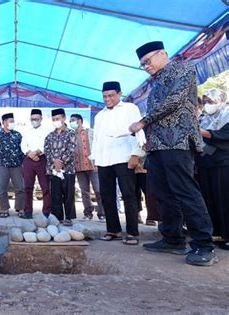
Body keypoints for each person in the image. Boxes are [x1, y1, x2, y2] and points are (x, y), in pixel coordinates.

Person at [129, 41, 217, 266]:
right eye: (142, 64)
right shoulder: (156, 82)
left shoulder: (182, 68)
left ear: (163, 54)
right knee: (163, 192)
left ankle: (204, 244)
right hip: (157, 145)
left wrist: (143, 121)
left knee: (185, 191)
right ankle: (172, 238)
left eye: (147, 61)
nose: (146, 66)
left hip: (177, 141)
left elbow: (175, 101)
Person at [92, 81, 144, 245]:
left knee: (129, 195)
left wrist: (135, 155)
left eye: (111, 95)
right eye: (105, 96)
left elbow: (139, 132)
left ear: (120, 94)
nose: (107, 99)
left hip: (124, 158)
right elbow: (97, 139)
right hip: (104, 160)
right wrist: (95, 158)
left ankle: (132, 232)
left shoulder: (130, 109)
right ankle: (113, 230)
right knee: (106, 196)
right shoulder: (100, 115)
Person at [195, 88, 229, 251]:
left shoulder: (226, 115)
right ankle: (217, 233)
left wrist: (202, 133)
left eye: (212, 101)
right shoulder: (203, 118)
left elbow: (224, 135)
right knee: (209, 199)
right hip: (204, 163)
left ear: (221, 100)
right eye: (206, 101)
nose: (208, 105)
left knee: (225, 199)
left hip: (223, 164)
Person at [44, 108, 76, 225]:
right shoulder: (50, 136)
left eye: (57, 119)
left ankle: (68, 217)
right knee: (56, 194)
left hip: (68, 169)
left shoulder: (71, 133)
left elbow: (72, 150)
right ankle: (58, 217)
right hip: (54, 170)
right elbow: (46, 150)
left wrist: (61, 162)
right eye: (53, 119)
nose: (56, 121)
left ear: (63, 118)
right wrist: (54, 162)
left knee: (68, 194)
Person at [69, 114, 105, 221]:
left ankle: (102, 213)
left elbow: (98, 147)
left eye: (73, 120)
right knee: (84, 191)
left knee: (98, 190)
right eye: (70, 121)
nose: (71, 122)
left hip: (92, 166)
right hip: (79, 167)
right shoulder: (71, 135)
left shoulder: (90, 132)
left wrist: (97, 162)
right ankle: (88, 213)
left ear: (79, 121)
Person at [0, 113, 25, 218]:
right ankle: (4, 209)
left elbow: (22, 150)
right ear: (4, 122)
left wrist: (23, 164)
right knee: (2, 188)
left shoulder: (18, 135)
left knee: (19, 187)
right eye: (10, 121)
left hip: (16, 165)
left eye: (13, 121)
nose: (12, 123)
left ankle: (20, 208)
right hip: (3, 165)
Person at [20, 109, 51, 219]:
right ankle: (28, 211)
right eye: (32, 119)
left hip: (42, 159)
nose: (34, 121)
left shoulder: (47, 131)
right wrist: (30, 153)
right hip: (28, 160)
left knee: (45, 187)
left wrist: (37, 152)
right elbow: (23, 145)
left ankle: (46, 212)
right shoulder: (27, 132)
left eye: (36, 119)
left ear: (41, 119)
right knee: (27, 187)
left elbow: (47, 145)